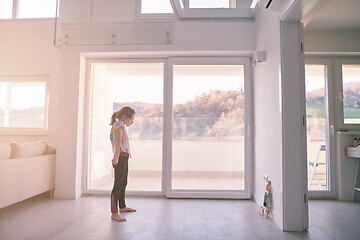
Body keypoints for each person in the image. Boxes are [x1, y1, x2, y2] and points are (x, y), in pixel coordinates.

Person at [109, 106, 136, 222]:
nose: (132, 122)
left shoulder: (119, 124)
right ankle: (114, 213)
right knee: (118, 184)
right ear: (125, 117)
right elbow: (118, 141)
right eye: (132, 119)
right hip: (120, 157)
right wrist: (116, 157)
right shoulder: (119, 125)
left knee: (123, 182)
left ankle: (122, 206)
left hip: (124, 157)